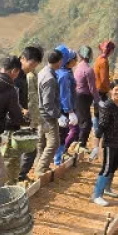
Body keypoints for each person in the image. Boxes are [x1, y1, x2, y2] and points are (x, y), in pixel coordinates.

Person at [0, 58, 27, 188]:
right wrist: (26, 120)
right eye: (17, 73)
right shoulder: (10, 89)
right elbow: (16, 116)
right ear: (14, 71)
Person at [91, 82, 118, 205]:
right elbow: (101, 127)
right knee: (106, 168)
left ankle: (107, 189)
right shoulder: (107, 106)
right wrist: (95, 146)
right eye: (116, 90)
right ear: (111, 91)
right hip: (109, 142)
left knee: (114, 166)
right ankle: (97, 195)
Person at [32, 47, 66, 177]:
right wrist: (58, 116)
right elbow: (48, 103)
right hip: (47, 116)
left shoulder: (43, 72)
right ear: (59, 62)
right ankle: (41, 169)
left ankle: (37, 164)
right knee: (54, 142)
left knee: (41, 142)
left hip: (40, 113)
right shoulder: (50, 78)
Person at [17, 46, 44, 181]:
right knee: (29, 149)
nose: (33, 66)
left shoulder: (31, 75)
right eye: (32, 63)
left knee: (29, 149)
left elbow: (33, 99)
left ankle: (21, 175)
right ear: (23, 59)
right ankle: (20, 176)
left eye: (36, 64)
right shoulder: (23, 77)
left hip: (30, 117)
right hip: (22, 119)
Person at [71, 49, 98, 159]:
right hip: (84, 97)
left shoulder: (78, 67)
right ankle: (81, 144)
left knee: (80, 120)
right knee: (86, 122)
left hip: (77, 96)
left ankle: (76, 143)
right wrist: (98, 101)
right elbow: (92, 88)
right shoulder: (88, 69)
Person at [52, 47, 77, 163]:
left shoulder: (63, 72)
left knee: (61, 133)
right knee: (62, 134)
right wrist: (70, 111)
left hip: (60, 107)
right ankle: (57, 160)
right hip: (63, 109)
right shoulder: (64, 75)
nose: (76, 61)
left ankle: (58, 157)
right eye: (74, 58)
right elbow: (64, 95)